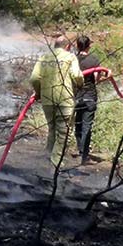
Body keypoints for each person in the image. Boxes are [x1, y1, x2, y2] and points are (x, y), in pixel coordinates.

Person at [30, 34, 83, 166]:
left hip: (47, 99)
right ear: (68, 46)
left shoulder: (43, 57)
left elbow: (34, 78)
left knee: (52, 128)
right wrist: (80, 83)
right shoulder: (70, 57)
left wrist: (38, 92)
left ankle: (48, 157)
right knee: (64, 132)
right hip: (65, 99)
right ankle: (56, 162)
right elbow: (76, 75)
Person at [74, 36, 102, 163]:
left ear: (77, 46)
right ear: (89, 46)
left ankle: (80, 150)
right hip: (90, 96)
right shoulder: (94, 60)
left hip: (76, 96)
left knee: (78, 123)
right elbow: (97, 79)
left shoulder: (73, 60)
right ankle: (85, 156)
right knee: (87, 125)